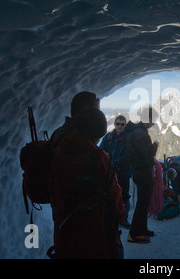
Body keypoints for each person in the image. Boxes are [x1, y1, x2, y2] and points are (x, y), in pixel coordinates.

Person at [49, 107, 124, 259]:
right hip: (96, 234)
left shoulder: (59, 150)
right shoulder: (99, 158)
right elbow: (116, 198)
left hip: (64, 230)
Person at [124, 106, 159, 244]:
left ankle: (142, 229)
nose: (153, 124)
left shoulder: (136, 131)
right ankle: (135, 233)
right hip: (142, 171)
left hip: (138, 171)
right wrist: (155, 145)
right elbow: (147, 154)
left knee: (143, 202)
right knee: (142, 203)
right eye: (153, 121)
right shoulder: (140, 133)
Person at [100, 115, 132, 229]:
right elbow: (102, 150)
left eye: (122, 124)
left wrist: (111, 162)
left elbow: (128, 155)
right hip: (110, 173)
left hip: (122, 173)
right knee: (110, 195)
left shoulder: (128, 138)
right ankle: (112, 217)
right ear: (115, 124)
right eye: (118, 124)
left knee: (124, 196)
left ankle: (123, 218)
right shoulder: (109, 137)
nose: (120, 126)